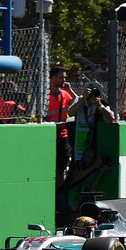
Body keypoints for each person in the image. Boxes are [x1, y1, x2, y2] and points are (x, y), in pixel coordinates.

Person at [47, 66, 77, 224]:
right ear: (53, 78)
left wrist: (71, 90)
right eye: (61, 77)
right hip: (49, 137)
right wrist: (53, 125)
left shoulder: (65, 94)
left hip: (63, 137)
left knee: (62, 168)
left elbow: (79, 103)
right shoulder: (45, 96)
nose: (64, 80)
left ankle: (59, 194)